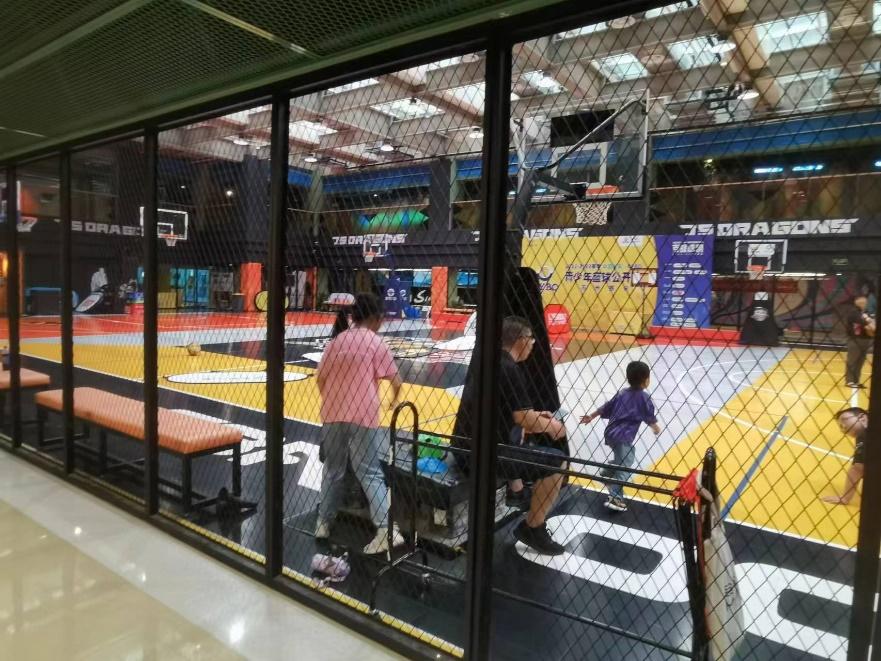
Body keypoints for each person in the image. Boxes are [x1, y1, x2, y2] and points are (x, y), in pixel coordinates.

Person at [454, 316, 569, 556]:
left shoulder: (487, 361)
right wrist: (553, 427)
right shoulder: (509, 369)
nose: (533, 344)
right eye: (531, 340)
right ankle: (533, 527)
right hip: (486, 454)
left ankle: (517, 490)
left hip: (466, 446)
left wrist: (536, 417)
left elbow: (511, 413)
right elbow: (524, 419)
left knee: (523, 435)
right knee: (558, 462)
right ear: (521, 340)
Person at [315, 292, 404, 554]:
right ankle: (387, 530)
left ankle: (323, 523)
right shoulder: (375, 342)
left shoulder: (337, 341)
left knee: (333, 469)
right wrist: (392, 402)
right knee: (369, 471)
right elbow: (396, 382)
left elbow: (320, 379)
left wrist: (333, 398)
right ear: (376, 318)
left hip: (333, 412)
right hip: (363, 413)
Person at [580, 360, 661, 513]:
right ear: (646, 380)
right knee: (625, 467)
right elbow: (648, 415)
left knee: (623, 459)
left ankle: (606, 473)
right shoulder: (644, 397)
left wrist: (591, 416)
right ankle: (615, 497)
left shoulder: (623, 392)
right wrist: (655, 427)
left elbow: (607, 406)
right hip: (623, 436)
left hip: (611, 432)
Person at [822, 407, 869, 506]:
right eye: (840, 426)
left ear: (862, 418)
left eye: (844, 420)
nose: (842, 428)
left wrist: (845, 498)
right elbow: (858, 467)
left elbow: (857, 469)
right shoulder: (862, 435)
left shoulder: (863, 435)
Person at [844, 295, 875, 388]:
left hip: (866, 340)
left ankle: (856, 381)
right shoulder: (854, 313)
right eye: (861, 302)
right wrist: (869, 322)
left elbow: (872, 326)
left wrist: (870, 322)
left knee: (860, 362)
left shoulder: (865, 313)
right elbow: (868, 326)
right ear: (856, 302)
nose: (864, 303)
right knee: (852, 361)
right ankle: (849, 381)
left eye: (865, 302)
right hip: (855, 340)